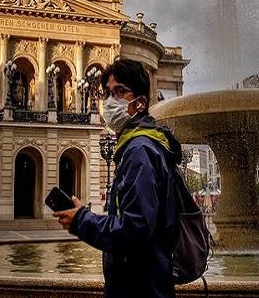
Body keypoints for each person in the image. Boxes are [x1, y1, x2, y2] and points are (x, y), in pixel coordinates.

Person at [53, 59, 181, 298]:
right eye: (107, 93)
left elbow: (136, 230)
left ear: (140, 103)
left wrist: (82, 220)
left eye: (120, 92)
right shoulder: (143, 147)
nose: (109, 101)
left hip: (140, 290)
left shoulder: (139, 152)